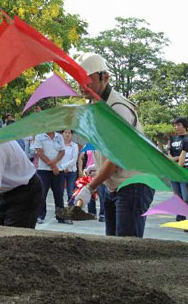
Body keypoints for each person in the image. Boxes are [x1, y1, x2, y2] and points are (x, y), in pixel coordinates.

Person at [74, 52, 154, 237]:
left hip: (134, 183)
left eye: (88, 80)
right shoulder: (97, 105)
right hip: (112, 185)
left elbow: (116, 157)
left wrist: (90, 187)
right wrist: (98, 166)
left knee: (125, 249)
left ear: (105, 77)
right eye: (79, 81)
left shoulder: (118, 108)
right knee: (112, 247)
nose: (82, 86)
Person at [34, 131, 71, 224]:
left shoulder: (59, 137)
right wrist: (53, 166)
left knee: (59, 194)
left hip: (58, 170)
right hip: (43, 170)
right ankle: (40, 216)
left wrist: (55, 163)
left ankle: (61, 217)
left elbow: (62, 151)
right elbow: (39, 152)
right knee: (42, 193)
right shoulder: (39, 136)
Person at [167, 117, 188, 221]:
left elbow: (184, 155)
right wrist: (170, 157)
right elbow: (169, 151)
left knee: (185, 196)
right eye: (175, 125)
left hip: (184, 170)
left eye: (179, 125)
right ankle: (181, 217)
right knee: (177, 196)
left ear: (184, 125)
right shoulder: (173, 138)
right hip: (173, 171)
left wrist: (173, 159)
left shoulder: (187, 138)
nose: (176, 127)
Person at [61, 129, 79, 203]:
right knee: (59, 191)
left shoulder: (74, 146)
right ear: (62, 134)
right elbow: (57, 157)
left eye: (69, 133)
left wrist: (64, 167)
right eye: (65, 132)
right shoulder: (59, 145)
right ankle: (60, 209)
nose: (67, 134)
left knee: (70, 192)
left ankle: (71, 209)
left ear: (71, 135)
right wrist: (62, 168)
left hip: (71, 172)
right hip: (60, 171)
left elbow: (74, 160)